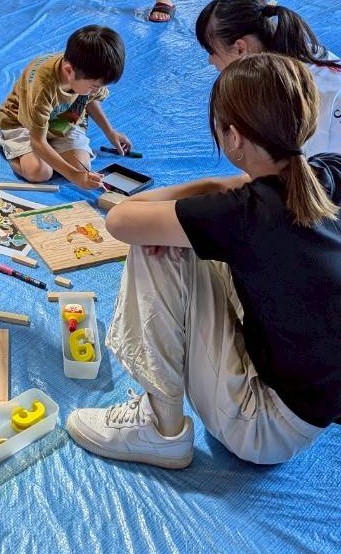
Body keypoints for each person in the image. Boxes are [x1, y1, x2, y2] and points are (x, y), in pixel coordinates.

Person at [67, 54, 341, 470]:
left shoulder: (244, 213)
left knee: (157, 246)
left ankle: (161, 430)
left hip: (263, 428)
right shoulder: (326, 172)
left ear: (234, 137)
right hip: (312, 408)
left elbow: (121, 219)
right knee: (185, 237)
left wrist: (211, 185)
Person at [196, 0, 341, 155]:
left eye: (212, 51)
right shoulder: (298, 52)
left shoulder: (303, 95)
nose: (210, 60)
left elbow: (311, 168)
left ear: (240, 48)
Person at [0, 25, 131, 191]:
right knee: (40, 172)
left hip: (63, 121)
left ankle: (49, 153)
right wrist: (74, 176)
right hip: (23, 124)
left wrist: (110, 132)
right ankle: (6, 145)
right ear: (68, 71)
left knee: (81, 167)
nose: (97, 90)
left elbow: (90, 100)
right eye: (94, 86)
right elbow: (37, 141)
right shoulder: (43, 86)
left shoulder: (86, 72)